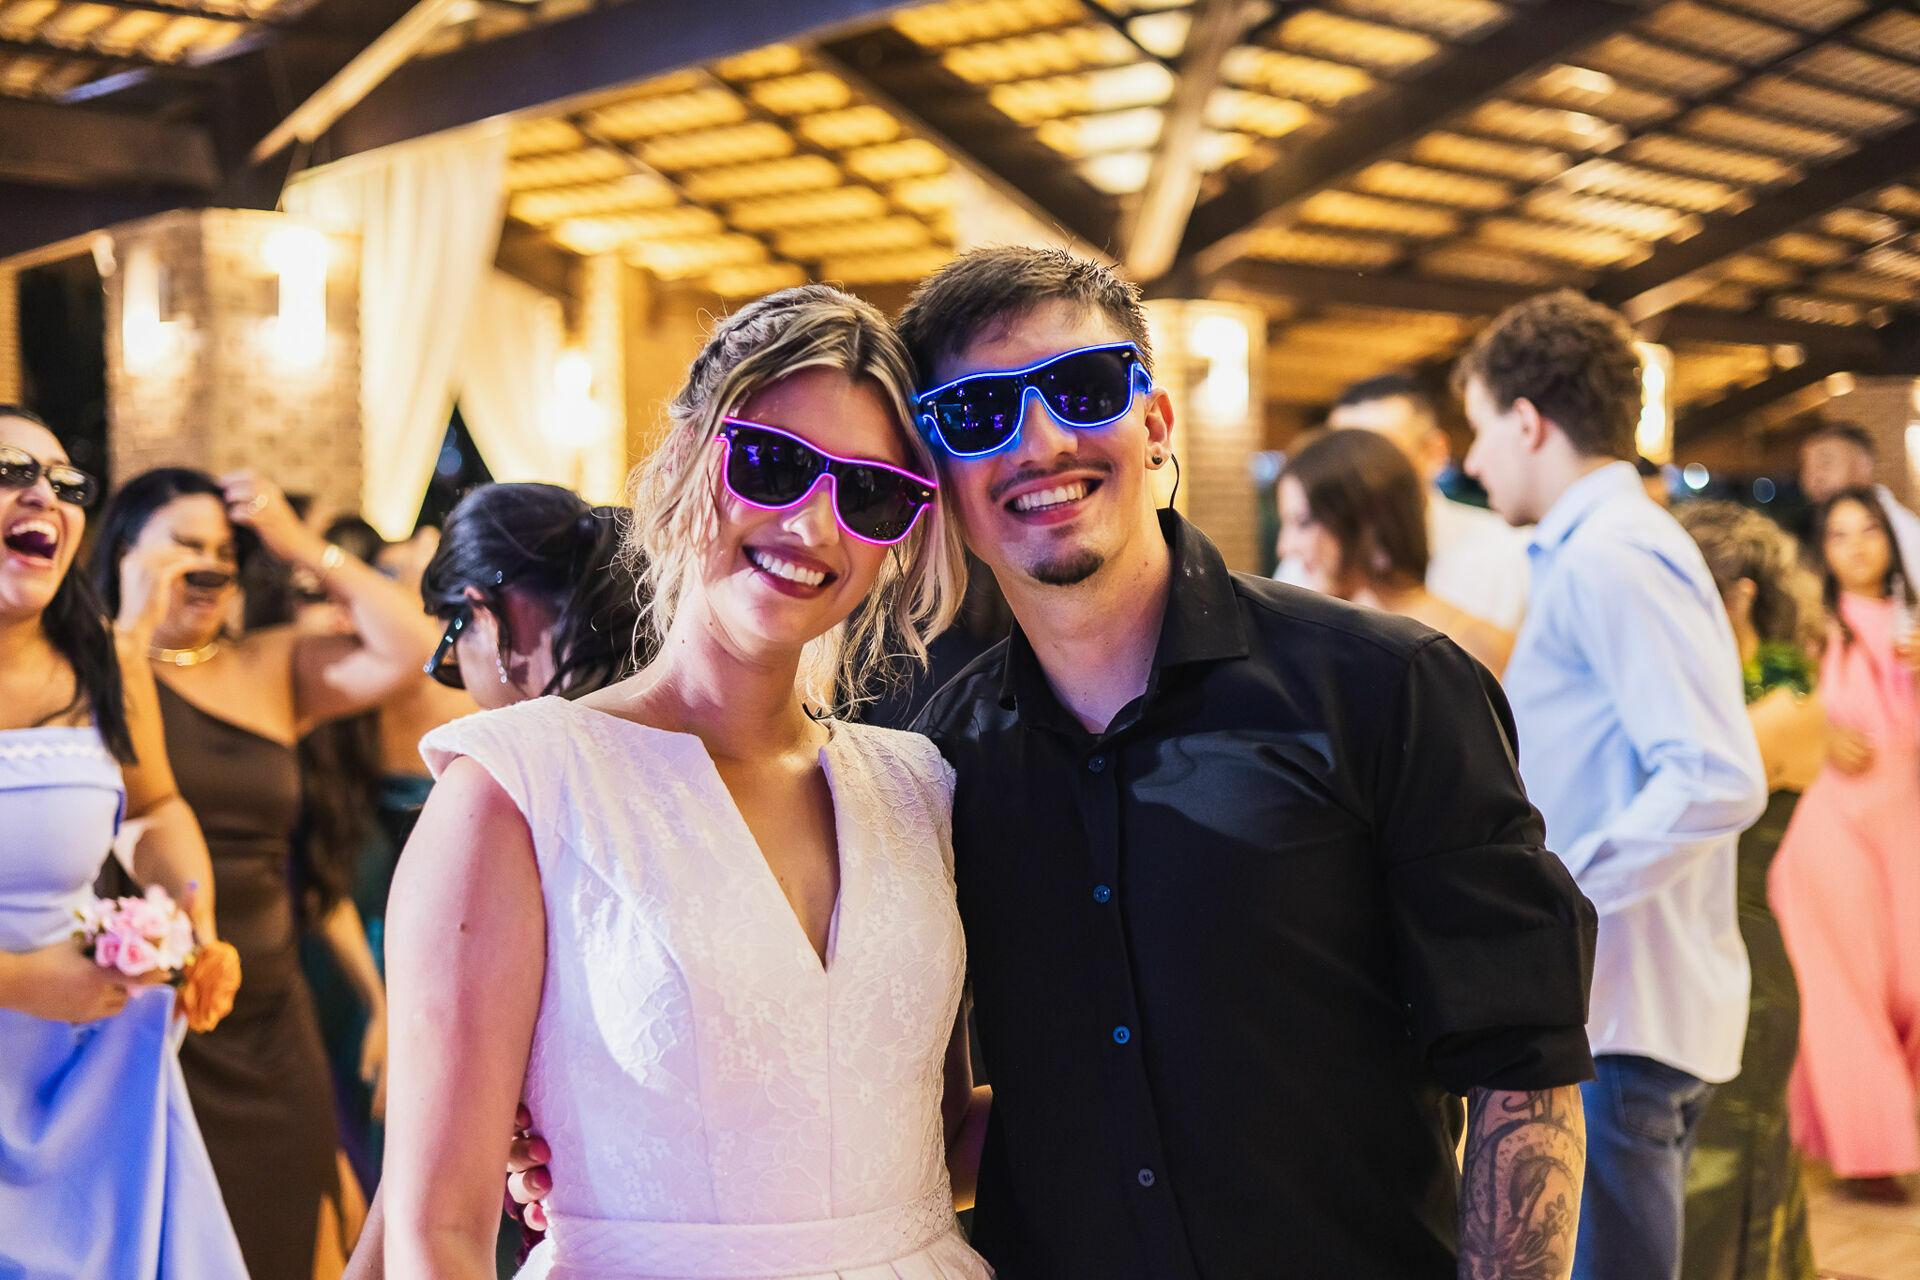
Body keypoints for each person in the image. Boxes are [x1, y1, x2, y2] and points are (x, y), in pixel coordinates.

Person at [899, 246, 1594, 1278]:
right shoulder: (939, 761)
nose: (1039, 440)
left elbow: (1521, 1066)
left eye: (1081, 389)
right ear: (943, 479)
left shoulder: (1384, 689)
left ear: (1156, 422)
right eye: (977, 412)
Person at [379, 286, 987, 1279]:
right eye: (775, 463)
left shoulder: (916, 786)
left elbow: (933, 1140)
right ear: (683, 460)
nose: (813, 521)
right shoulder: (518, 787)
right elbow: (436, 1230)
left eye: (868, 491)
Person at [1458, 289, 1768, 1280]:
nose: (1472, 462)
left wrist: (1559, 901)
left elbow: (1717, 775)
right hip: (1627, 1002)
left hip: (1625, 1008)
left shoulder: (1613, 554)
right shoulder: (1605, 547)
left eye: (1476, 431)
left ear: (1525, 419)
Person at [92, 467, 440, 1280]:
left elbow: (415, 650)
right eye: (184, 545)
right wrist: (132, 625)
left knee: (283, 1239)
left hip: (270, 1015)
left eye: (222, 548)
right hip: (142, 1010)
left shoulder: (267, 666)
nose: (209, 564)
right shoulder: (83, 670)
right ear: (122, 552)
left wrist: (298, 544)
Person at [0, 406, 247, 1278]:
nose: (44, 496)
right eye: (11, 472)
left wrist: (194, 928)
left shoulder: (103, 660)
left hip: (87, 1075)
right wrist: (24, 981)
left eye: (65, 484)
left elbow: (156, 808)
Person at [1675, 501, 1824, 1280]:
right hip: (1692, 951)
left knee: (1728, 1180)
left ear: (1734, 595)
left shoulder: (1790, 707)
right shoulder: (1712, 697)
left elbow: (1692, 784)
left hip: (1747, 965)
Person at [1768, 487, 1920, 1205]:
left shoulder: (1913, 622)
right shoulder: (1810, 628)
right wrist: (1819, 733)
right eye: (1839, 535)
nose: (1857, 547)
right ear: (1821, 550)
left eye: (1869, 532)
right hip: (1833, 830)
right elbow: (1775, 711)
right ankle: (1869, 1154)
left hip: (1908, 827)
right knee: (1843, 990)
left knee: (1911, 986)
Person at [1277, 373, 1530, 631]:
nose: (1344, 486)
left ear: (1434, 454)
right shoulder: (1307, 561)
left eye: (1370, 460)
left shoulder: (1513, 557)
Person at [1278, 426, 1513, 674]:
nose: (1285, 547)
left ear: (1369, 524)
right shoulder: (1316, 637)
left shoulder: (1473, 649)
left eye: (1302, 522)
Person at [1798, 421, 1920, 573]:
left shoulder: (1901, 531)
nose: (1813, 476)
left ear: (1864, 465)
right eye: (1806, 465)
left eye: (1825, 463)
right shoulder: (1813, 529)